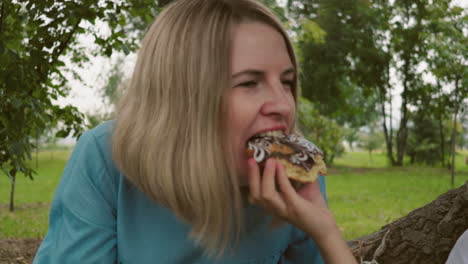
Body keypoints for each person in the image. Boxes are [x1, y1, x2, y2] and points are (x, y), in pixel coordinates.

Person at [34, 0, 356, 263]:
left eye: (286, 81)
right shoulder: (107, 157)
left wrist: (325, 232)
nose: (284, 105)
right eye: (249, 82)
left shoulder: (295, 174)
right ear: (183, 98)